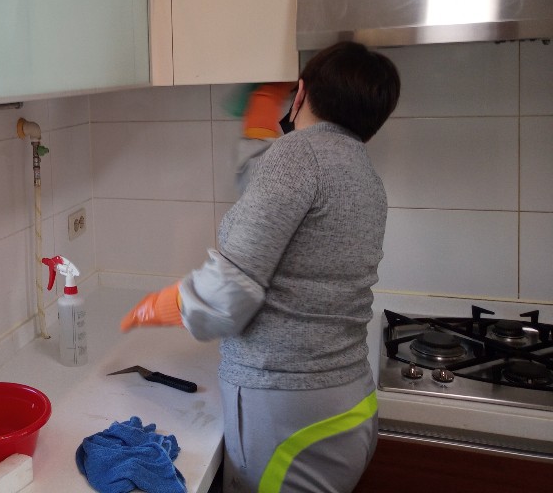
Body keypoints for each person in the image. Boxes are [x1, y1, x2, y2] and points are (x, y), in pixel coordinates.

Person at [120, 41, 401, 493]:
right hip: (348, 402)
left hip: (289, 413)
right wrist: (259, 118)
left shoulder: (298, 155)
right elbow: (268, 203)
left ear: (301, 93)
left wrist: (168, 305)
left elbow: (230, 294)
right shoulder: (362, 173)